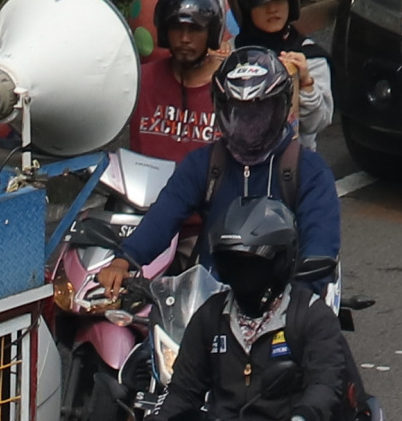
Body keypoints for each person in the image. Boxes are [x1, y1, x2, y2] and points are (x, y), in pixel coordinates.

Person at [138, 206, 371, 421]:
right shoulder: (210, 316)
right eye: (231, 262)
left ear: (278, 262)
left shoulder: (310, 316)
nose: (241, 273)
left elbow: (325, 385)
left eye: (250, 263)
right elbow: (183, 391)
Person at [108, 45, 344, 293]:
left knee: (323, 331)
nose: (247, 123)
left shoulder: (309, 170)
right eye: (237, 111)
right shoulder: (203, 164)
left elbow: (322, 240)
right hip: (213, 302)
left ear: (281, 108)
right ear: (219, 109)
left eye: (259, 111)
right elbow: (164, 215)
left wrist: (305, 295)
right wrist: (125, 259)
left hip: (287, 301)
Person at [230, 0, 336, 141]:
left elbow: (317, 124)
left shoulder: (308, 57)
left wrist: (306, 83)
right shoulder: (230, 54)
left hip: (294, 160)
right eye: (263, 2)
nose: (272, 9)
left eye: (280, 0)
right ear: (246, 9)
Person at [131, 0, 231, 164]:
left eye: (195, 29)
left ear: (212, 32)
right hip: (143, 189)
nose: (185, 39)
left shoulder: (232, 86)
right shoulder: (139, 80)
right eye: (177, 28)